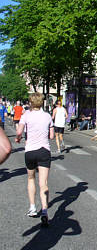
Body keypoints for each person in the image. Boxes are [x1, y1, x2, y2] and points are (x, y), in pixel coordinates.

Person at [15, 92, 54, 227]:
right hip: (44, 151)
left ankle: (32, 208)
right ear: (42, 102)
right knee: (43, 182)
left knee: (31, 178)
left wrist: (18, 138)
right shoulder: (47, 116)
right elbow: (52, 136)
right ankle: (44, 211)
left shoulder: (26, 115)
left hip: (30, 151)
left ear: (31, 102)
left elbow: (19, 132)